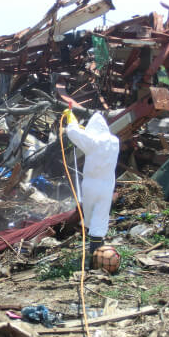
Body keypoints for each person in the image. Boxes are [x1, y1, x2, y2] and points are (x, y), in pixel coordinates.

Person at [63, 107, 119, 265]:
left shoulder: (92, 142)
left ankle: (92, 256)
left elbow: (72, 132)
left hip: (91, 185)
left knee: (89, 218)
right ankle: (98, 256)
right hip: (107, 186)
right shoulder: (115, 141)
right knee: (100, 219)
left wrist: (71, 118)